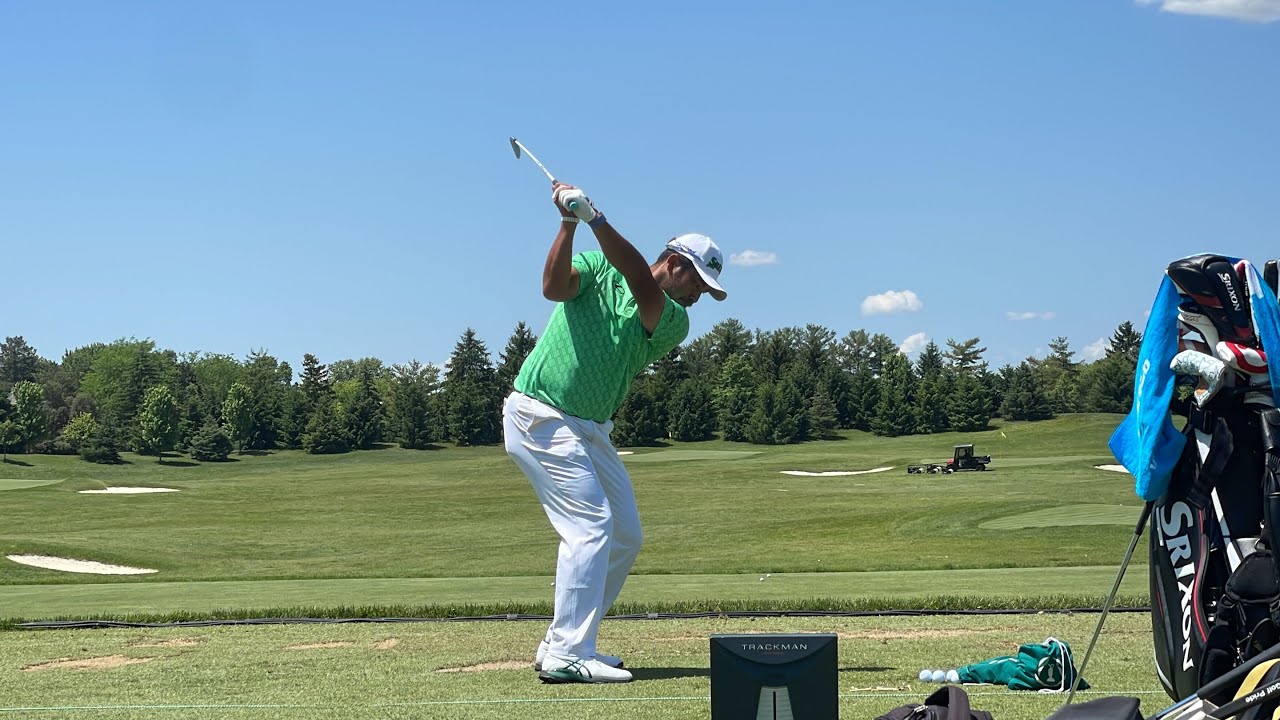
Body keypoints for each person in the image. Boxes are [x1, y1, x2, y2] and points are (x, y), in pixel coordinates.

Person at [502, 180, 727, 684]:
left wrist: (594, 219)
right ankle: (568, 652)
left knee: (625, 534)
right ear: (675, 263)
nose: (700, 296)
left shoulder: (672, 320)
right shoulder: (597, 268)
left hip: (590, 429)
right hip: (541, 414)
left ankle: (565, 640)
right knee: (589, 527)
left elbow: (639, 280)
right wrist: (568, 223)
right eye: (698, 284)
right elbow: (553, 288)